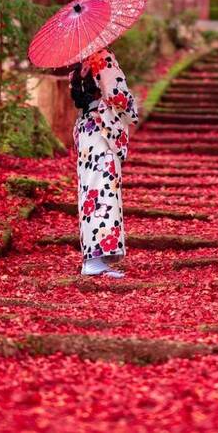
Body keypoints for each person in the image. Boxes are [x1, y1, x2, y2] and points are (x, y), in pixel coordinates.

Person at [70, 48, 138, 278]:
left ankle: (93, 256)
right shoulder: (101, 58)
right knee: (103, 193)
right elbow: (118, 94)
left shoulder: (78, 64)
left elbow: (78, 98)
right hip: (102, 132)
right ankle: (95, 260)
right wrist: (131, 107)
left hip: (87, 130)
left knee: (90, 194)